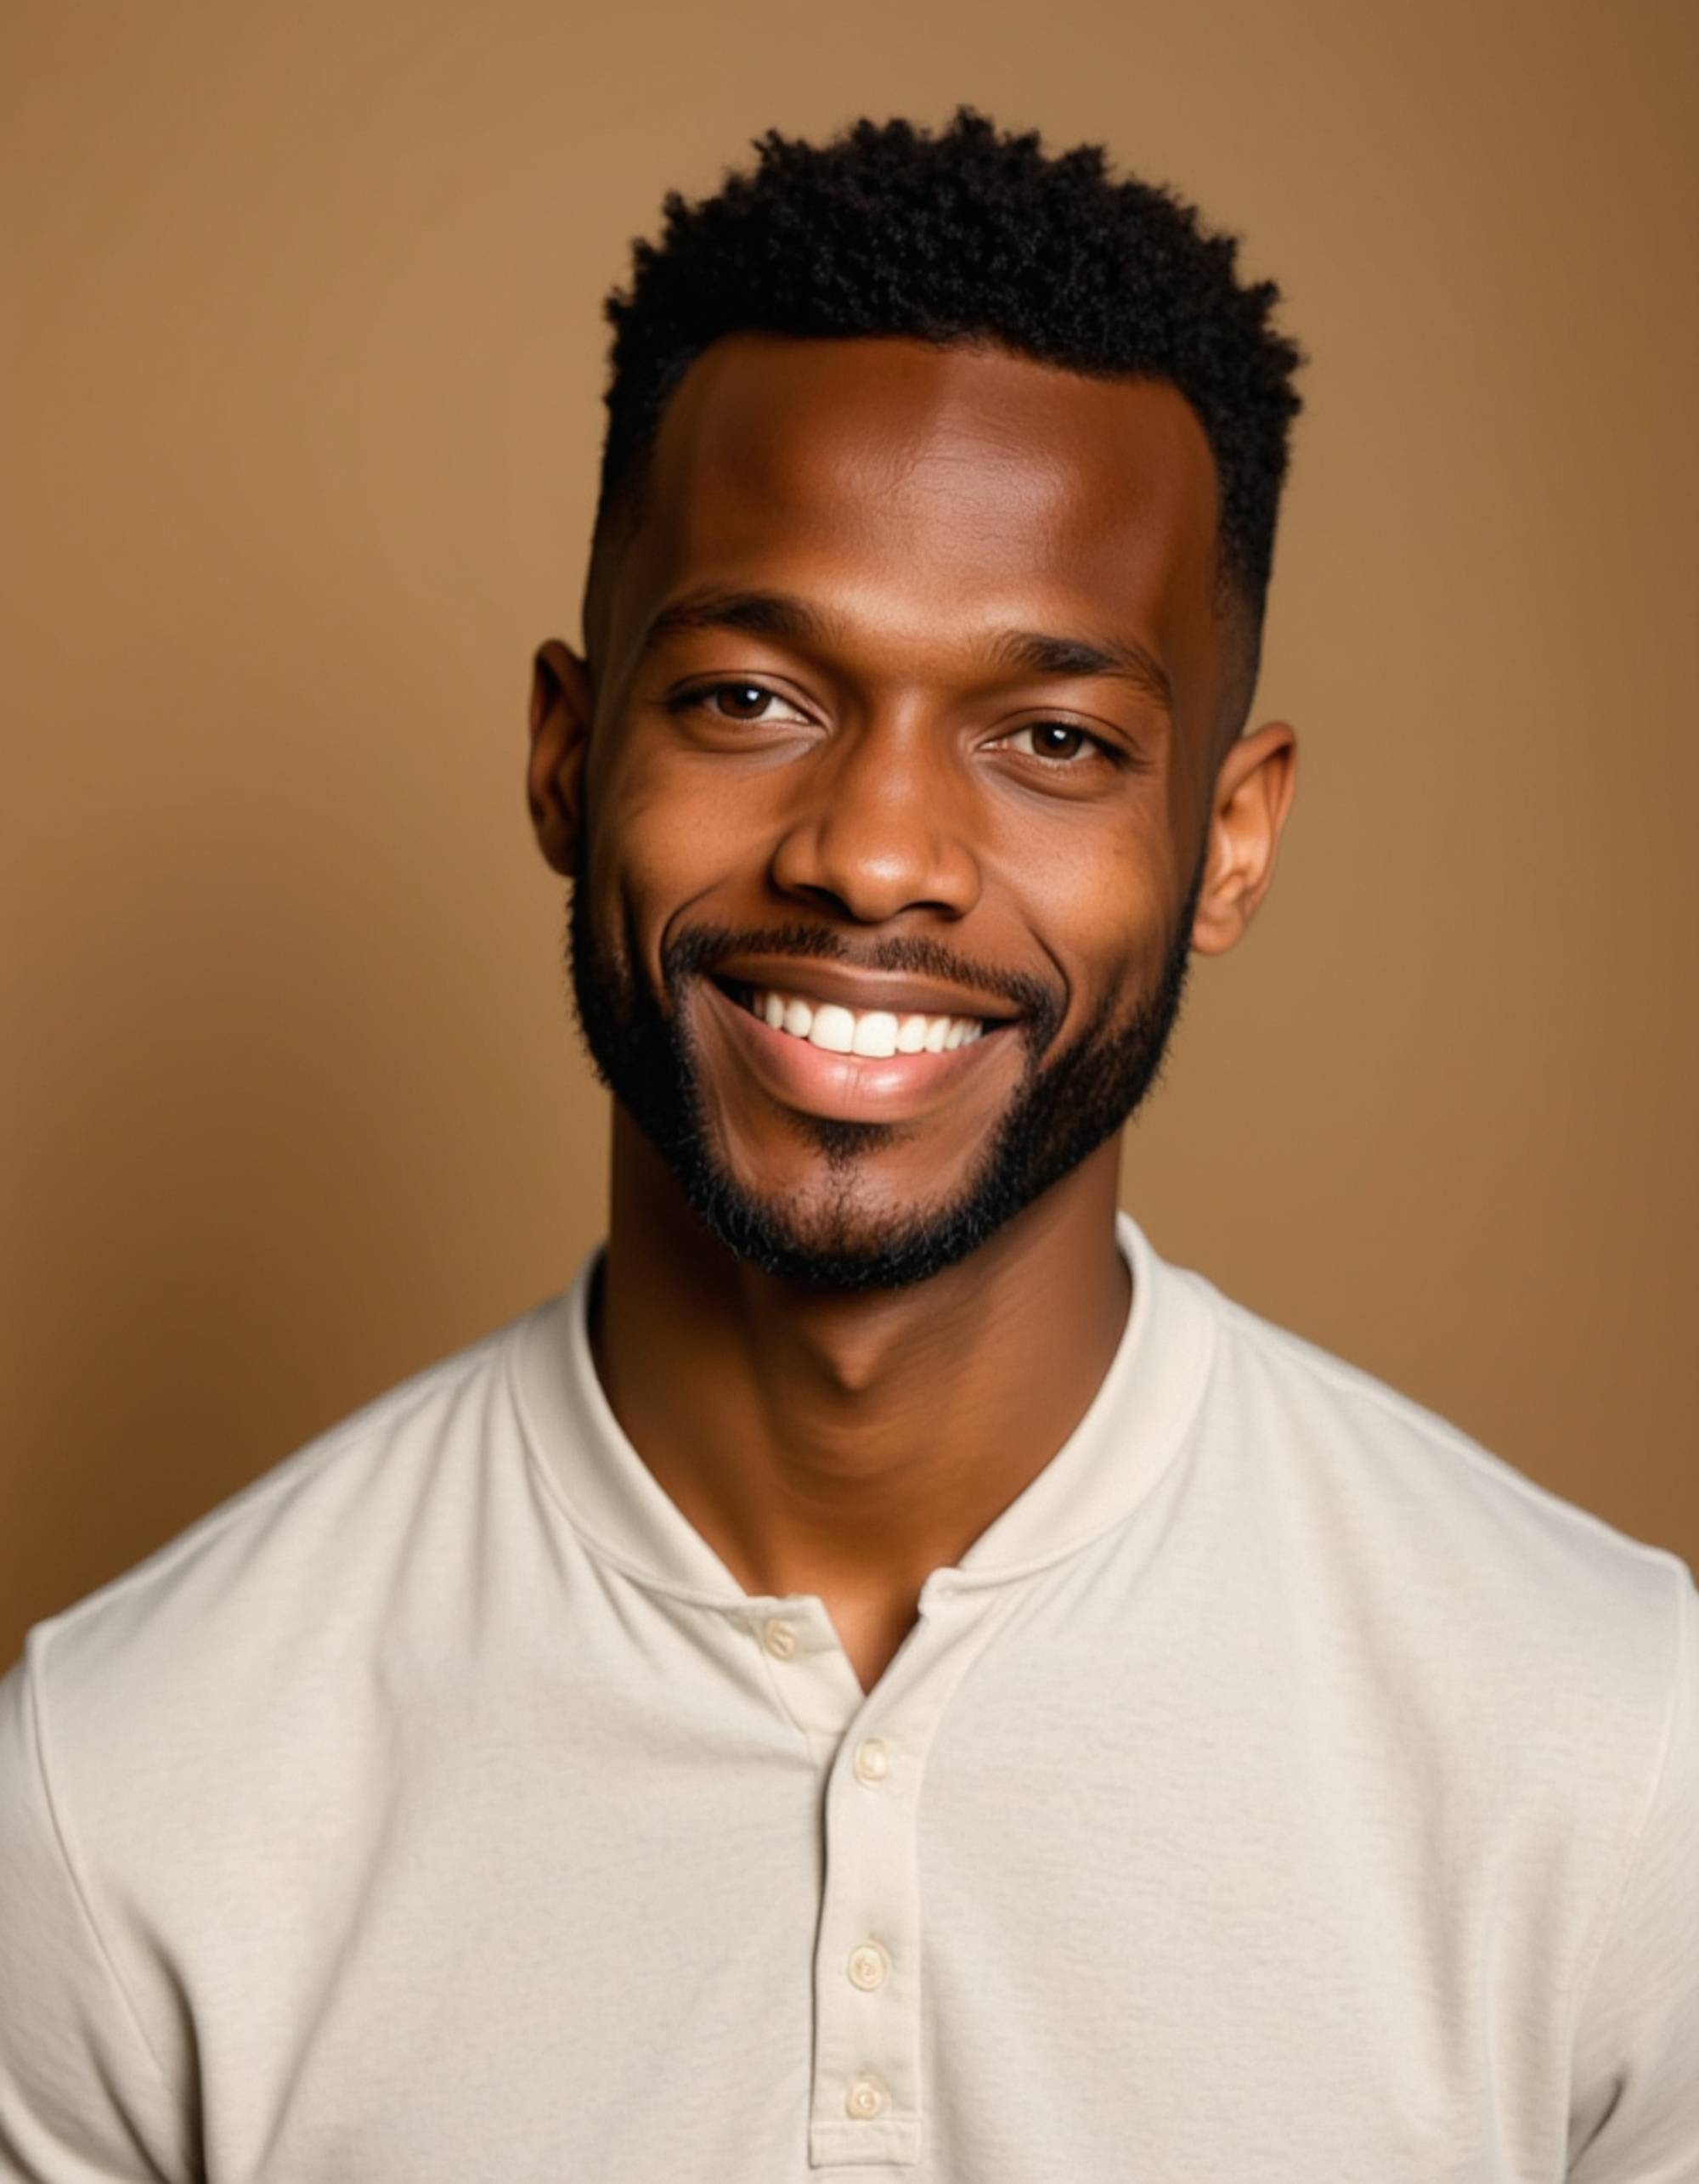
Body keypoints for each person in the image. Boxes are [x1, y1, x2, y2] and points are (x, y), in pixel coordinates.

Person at [1, 106, 1693, 2183]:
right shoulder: (123, 1787)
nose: (878, 855)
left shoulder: (1611, 1761)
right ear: (565, 748)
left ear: (1228, 839)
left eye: (1052, 739)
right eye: (750, 699)